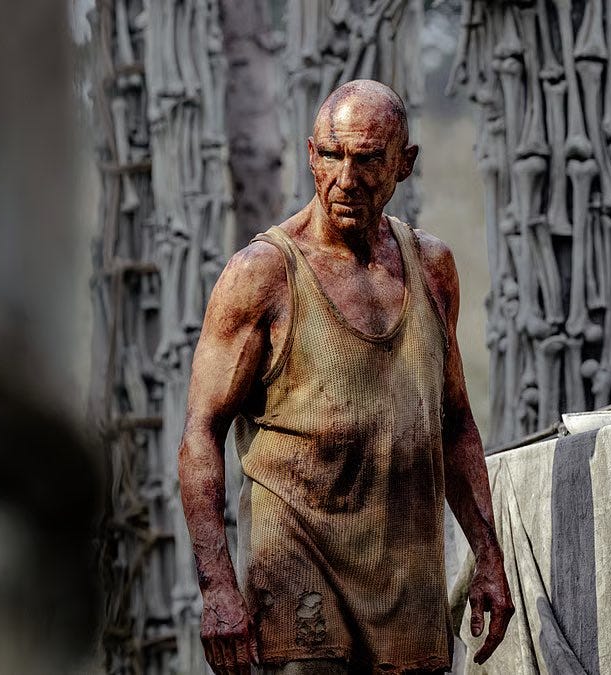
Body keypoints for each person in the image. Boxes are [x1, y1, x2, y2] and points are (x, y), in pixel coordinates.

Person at [178, 79, 513, 674]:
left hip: (407, 578)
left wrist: (489, 557)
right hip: (298, 571)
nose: (346, 179)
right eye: (331, 156)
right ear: (311, 154)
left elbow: (456, 423)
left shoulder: (431, 268)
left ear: (404, 164)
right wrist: (218, 589)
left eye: (368, 159)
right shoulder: (263, 274)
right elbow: (202, 432)